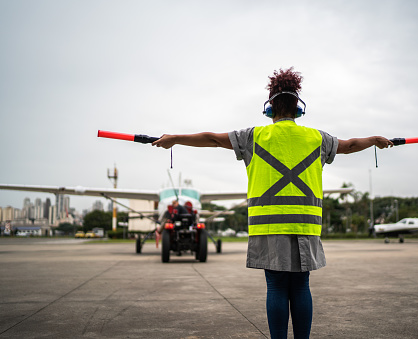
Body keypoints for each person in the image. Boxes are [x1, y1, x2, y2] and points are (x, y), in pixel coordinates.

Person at [152, 68, 393, 339]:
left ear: (269, 108)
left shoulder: (253, 137)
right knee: (301, 286)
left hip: (268, 225)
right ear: (298, 109)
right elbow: (349, 145)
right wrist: (374, 140)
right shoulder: (318, 138)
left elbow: (211, 139)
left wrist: (175, 138)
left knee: (276, 286)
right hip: (306, 224)